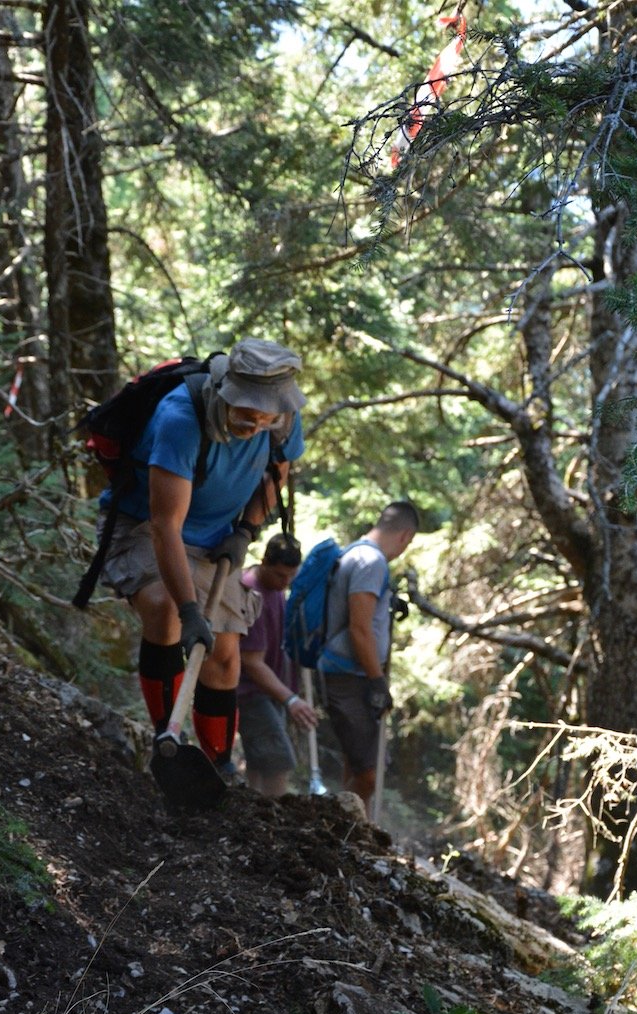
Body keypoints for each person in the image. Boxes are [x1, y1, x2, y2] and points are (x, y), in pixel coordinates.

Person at [97, 338, 306, 779]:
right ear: (227, 392)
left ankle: (218, 765)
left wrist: (246, 531)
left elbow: (277, 474)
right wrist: (192, 610)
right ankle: (166, 741)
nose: (259, 425)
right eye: (248, 415)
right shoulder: (180, 416)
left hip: (218, 538)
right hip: (143, 526)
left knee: (226, 655)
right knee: (166, 609)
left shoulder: (284, 418)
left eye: (268, 417)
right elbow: (164, 526)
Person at [318, 500, 420, 816]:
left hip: (348, 673)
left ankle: (352, 836)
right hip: (349, 675)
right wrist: (377, 681)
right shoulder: (370, 562)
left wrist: (388, 602)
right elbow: (359, 628)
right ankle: (335, 827)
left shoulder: (356, 552)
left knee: (357, 761)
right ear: (404, 536)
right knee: (369, 772)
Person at [237, 533, 319, 796]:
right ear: (264, 562)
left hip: (270, 690)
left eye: (290, 577)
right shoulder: (250, 591)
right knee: (278, 760)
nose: (285, 583)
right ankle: (274, 815)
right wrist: (291, 700)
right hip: (250, 692)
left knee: (260, 760)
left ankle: (253, 810)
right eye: (280, 575)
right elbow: (251, 661)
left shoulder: (276, 590)